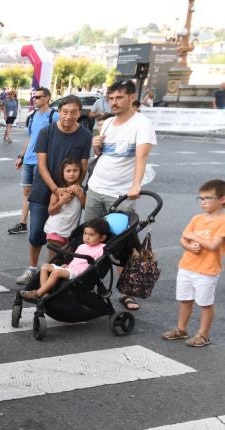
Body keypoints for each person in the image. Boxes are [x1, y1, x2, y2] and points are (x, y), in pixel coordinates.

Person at [85, 79, 157, 311]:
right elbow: (101, 154)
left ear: (131, 97)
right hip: (97, 188)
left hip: (121, 194)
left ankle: (126, 292)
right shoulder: (106, 123)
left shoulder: (141, 124)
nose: (114, 102)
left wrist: (135, 186)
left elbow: (141, 158)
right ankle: (87, 282)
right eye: (111, 98)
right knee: (90, 239)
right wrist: (96, 145)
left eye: (119, 98)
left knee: (122, 244)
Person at [15, 95, 92, 284]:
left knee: (59, 237)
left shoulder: (85, 135)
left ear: (79, 113)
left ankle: (50, 270)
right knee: (36, 234)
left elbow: (83, 165)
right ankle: (32, 269)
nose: (68, 116)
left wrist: (73, 187)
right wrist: (55, 189)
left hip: (68, 193)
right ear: (59, 112)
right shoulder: (46, 132)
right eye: (65, 112)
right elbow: (41, 165)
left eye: (73, 112)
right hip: (44, 189)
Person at [162, 179, 225, 348]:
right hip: (187, 266)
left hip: (207, 270)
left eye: (208, 198)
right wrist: (189, 245)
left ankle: (203, 335)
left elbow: (213, 245)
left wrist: (195, 238)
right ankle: (181, 329)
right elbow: (183, 239)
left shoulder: (222, 221)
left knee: (205, 303)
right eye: (201, 199)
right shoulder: (197, 218)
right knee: (185, 300)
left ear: (222, 199)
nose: (203, 202)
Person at [9, 88, 58, 240]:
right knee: (26, 192)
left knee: (39, 194)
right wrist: (21, 156)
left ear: (47, 98)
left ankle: (44, 226)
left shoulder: (54, 116)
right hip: (29, 159)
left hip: (42, 161)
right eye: (33, 97)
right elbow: (30, 138)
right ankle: (22, 223)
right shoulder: (33, 116)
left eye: (37, 97)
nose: (34, 99)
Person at [20, 218, 109, 300]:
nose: (87, 237)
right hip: (70, 269)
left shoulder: (102, 248)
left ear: (102, 238)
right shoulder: (82, 246)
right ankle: (44, 292)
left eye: (91, 235)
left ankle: (38, 293)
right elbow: (76, 260)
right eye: (85, 233)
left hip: (80, 273)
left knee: (56, 272)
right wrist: (67, 265)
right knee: (45, 266)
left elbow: (96, 265)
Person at [44, 158, 87, 259]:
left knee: (65, 261)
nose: (71, 174)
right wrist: (62, 201)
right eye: (68, 171)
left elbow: (85, 206)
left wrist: (80, 194)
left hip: (70, 232)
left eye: (75, 170)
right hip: (56, 229)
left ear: (80, 172)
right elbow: (51, 211)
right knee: (53, 259)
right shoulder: (58, 191)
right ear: (62, 173)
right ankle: (45, 274)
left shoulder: (80, 189)